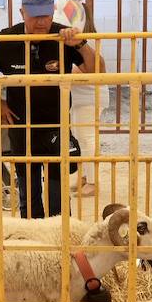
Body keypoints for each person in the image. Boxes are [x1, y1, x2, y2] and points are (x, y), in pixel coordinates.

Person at [0, 0, 93, 220]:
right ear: (22, 13)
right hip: (21, 126)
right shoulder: (5, 40)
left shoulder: (64, 36)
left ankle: (61, 240)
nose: (41, 23)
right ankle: (32, 243)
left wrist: (80, 44)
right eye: (35, 16)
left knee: (58, 196)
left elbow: (98, 70)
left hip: (57, 126)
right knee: (29, 192)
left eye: (46, 16)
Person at [67, 16, 104, 198]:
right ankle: (84, 176)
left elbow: (78, 70)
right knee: (79, 136)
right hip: (80, 98)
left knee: (87, 137)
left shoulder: (86, 45)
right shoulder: (79, 43)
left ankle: (93, 182)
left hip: (90, 97)